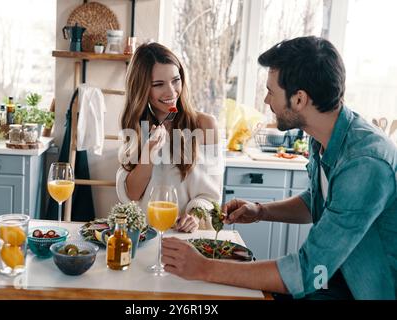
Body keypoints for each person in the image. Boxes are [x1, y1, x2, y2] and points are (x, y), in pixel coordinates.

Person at [162, 36, 397, 300]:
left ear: (299, 100)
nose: (265, 100)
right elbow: (317, 202)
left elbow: (306, 271)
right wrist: (260, 211)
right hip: (331, 279)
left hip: (362, 290)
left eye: (271, 91)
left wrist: (204, 268)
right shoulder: (323, 135)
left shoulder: (364, 164)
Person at [116, 42, 224, 233]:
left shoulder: (206, 125)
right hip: (146, 237)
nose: (171, 91)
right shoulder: (137, 129)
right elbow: (132, 194)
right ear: (142, 90)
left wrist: (195, 218)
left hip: (187, 237)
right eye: (158, 84)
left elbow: (211, 194)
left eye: (176, 80)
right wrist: (148, 152)